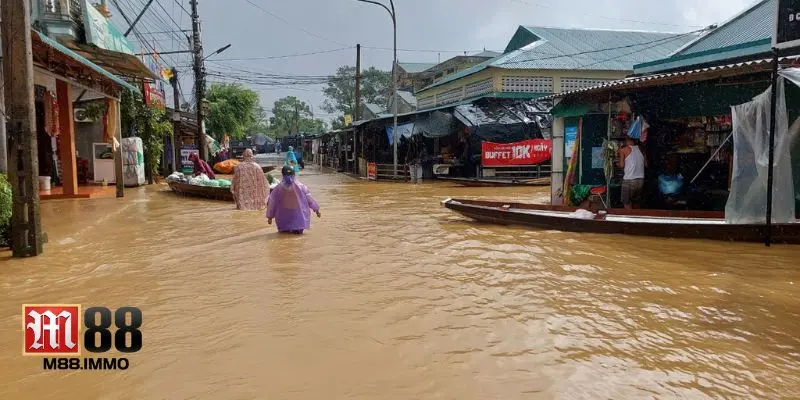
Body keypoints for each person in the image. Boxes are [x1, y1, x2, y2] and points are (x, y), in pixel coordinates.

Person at [266, 166, 321, 234]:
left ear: (283, 175)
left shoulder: (278, 188)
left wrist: (270, 217)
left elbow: (272, 203)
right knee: (298, 235)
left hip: (283, 214)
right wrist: (316, 210)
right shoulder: (301, 186)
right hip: (298, 213)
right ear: (294, 174)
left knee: (284, 235)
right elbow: (310, 200)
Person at [617, 136, 646, 209]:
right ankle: (636, 218)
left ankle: (629, 218)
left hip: (629, 180)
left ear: (626, 140)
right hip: (640, 180)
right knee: (636, 202)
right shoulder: (641, 149)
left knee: (626, 202)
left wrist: (617, 163)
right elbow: (646, 164)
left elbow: (621, 165)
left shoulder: (623, 150)